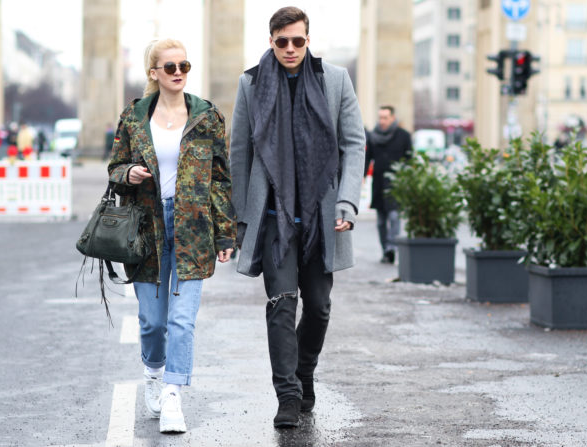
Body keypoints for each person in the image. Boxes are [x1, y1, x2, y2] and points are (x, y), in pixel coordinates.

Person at [229, 6, 365, 429]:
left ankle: (305, 372)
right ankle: (287, 395)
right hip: (273, 219)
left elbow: (354, 144)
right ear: (271, 41)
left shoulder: (336, 80)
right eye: (281, 41)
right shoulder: (251, 83)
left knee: (320, 308)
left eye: (298, 41)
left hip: (322, 217)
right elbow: (239, 153)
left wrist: (346, 202)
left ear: (309, 40)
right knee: (281, 305)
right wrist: (239, 218)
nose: (290, 49)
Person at [107, 38, 236, 434]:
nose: (178, 72)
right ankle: (153, 372)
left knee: (182, 321)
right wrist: (128, 174)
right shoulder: (133, 118)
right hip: (147, 228)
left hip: (193, 229)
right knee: (152, 322)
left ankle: (174, 395)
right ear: (154, 73)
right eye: (170, 67)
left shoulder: (207, 117)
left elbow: (220, 179)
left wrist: (225, 234)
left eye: (184, 65)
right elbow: (115, 167)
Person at [364, 105, 412, 264]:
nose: (382, 121)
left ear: (392, 118)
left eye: (385, 117)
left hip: (396, 183)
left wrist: (407, 177)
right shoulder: (373, 136)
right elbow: (367, 157)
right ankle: (385, 249)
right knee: (380, 221)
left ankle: (392, 248)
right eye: (380, 117)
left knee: (394, 216)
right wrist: (362, 176)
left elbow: (410, 158)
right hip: (378, 183)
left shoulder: (403, 136)